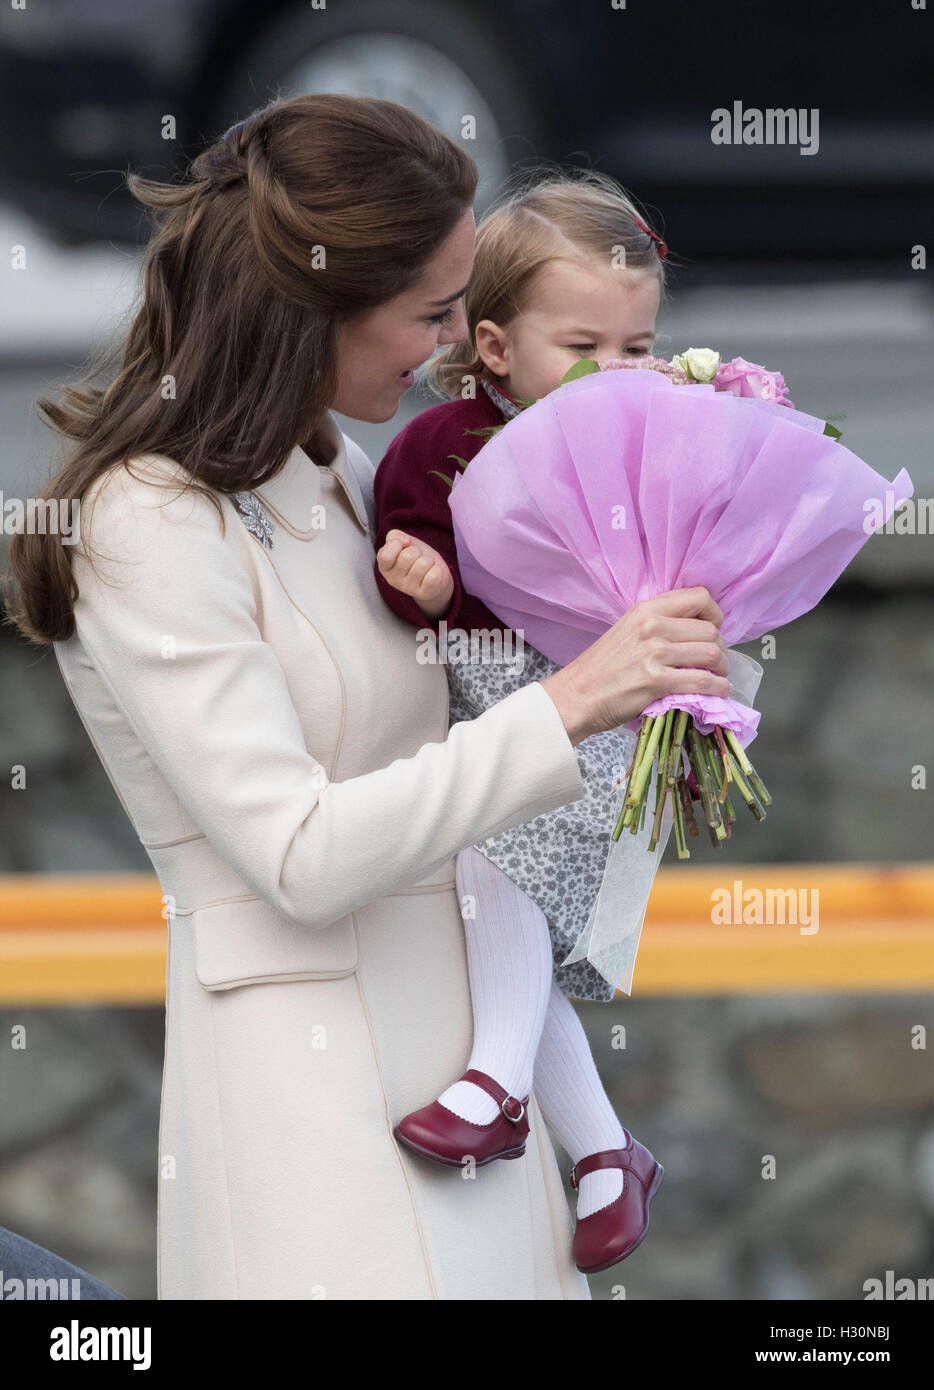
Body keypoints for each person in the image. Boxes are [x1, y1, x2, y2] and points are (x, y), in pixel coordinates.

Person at [2, 94, 730, 1299]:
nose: (454, 344)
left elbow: (467, 706)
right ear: (314, 306)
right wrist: (568, 708)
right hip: (316, 1125)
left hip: (466, 1100)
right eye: (433, 313)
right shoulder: (145, 519)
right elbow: (298, 851)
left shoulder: (340, 464)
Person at [372, 172, 679, 1273]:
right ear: (494, 346)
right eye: (582, 345)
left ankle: (497, 1086)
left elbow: (683, 572)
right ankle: (603, 1152)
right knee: (500, 888)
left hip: (600, 714)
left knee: (496, 857)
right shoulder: (441, 447)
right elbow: (422, 583)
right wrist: (429, 587)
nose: (615, 372)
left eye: (638, 346)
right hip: (493, 702)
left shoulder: (661, 444)